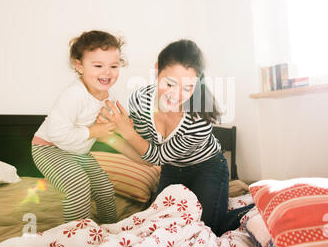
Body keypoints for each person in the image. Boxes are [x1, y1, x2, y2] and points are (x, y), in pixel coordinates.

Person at [97, 39, 253, 235]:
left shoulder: (199, 118)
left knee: (205, 228)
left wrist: (126, 132)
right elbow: (146, 156)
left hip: (207, 167)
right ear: (156, 70)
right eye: (169, 83)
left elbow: (156, 157)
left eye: (187, 88)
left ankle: (250, 210)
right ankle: (223, 196)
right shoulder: (139, 101)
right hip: (171, 170)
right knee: (159, 225)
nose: (175, 95)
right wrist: (109, 135)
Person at [31, 30, 136, 224]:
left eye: (114, 65)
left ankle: (109, 229)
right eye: (98, 65)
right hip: (49, 149)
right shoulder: (74, 95)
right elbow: (57, 133)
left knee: (104, 187)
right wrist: (95, 131)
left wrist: (125, 123)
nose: (107, 72)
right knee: (78, 185)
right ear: (79, 66)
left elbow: (115, 119)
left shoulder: (109, 96)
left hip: (77, 151)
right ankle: (77, 236)